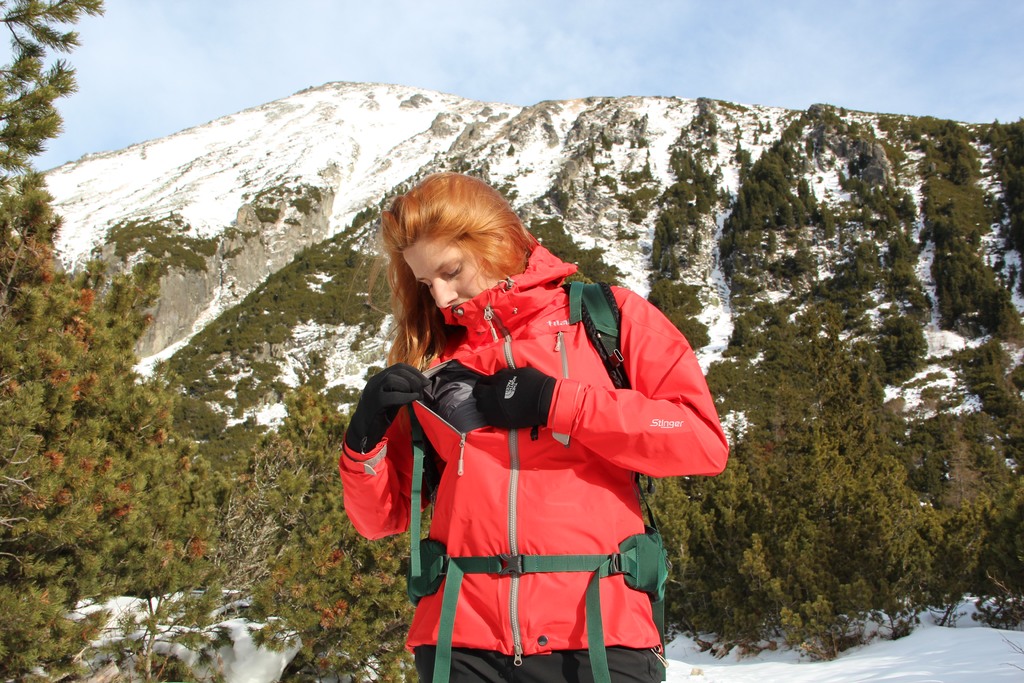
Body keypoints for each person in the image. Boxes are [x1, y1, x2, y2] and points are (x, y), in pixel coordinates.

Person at [339, 172, 728, 683]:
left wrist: (557, 402)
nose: (440, 297)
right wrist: (362, 444)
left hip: (598, 634)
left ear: (494, 240)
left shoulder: (605, 319)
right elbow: (381, 520)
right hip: (459, 643)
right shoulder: (432, 359)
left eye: (451, 270)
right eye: (424, 282)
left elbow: (700, 442)